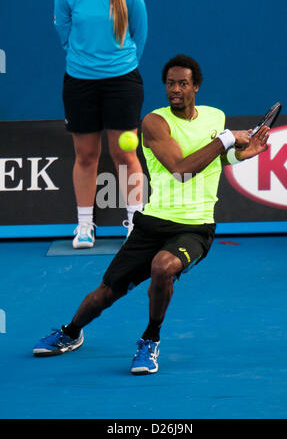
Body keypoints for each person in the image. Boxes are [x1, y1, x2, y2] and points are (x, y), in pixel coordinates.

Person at [33, 54, 270, 375]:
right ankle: (71, 332)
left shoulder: (215, 116)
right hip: (152, 223)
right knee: (104, 295)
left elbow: (218, 159)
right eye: (170, 83)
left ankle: (149, 340)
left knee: (163, 267)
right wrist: (227, 138)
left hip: (196, 226)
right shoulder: (154, 122)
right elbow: (181, 169)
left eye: (183, 83)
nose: (176, 89)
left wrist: (240, 156)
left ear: (195, 86)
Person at [54, 0, 147, 248]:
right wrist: (87, 62)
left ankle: (136, 223)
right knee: (85, 155)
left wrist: (116, 64)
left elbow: (138, 37)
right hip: (80, 82)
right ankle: (85, 225)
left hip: (122, 82)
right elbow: (64, 36)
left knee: (124, 152)